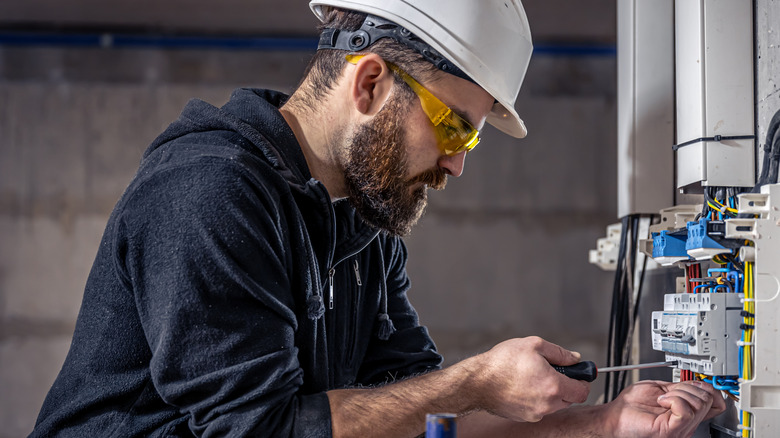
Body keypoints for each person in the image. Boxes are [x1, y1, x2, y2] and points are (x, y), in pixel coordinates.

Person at [31, 1, 725, 436]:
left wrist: (604, 424)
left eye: (471, 139)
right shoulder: (211, 194)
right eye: (456, 129)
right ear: (369, 84)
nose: (457, 166)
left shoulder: (360, 225)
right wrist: (477, 378)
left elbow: (425, 423)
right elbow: (259, 431)